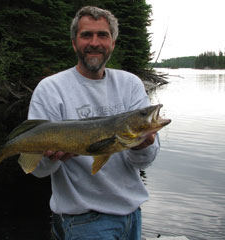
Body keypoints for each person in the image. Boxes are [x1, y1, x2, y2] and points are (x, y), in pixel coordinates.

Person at [27, 6, 160, 240]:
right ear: (74, 43)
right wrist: (47, 158)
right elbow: (37, 170)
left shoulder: (130, 84)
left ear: (113, 43)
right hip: (83, 221)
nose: (95, 42)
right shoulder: (50, 89)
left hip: (132, 215)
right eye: (86, 35)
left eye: (103, 35)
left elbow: (144, 162)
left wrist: (142, 144)